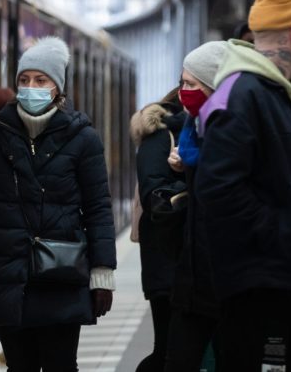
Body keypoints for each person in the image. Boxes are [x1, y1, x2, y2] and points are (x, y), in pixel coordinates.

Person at [195, 0, 291, 369]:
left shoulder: (283, 93)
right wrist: (286, 236)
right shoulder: (242, 96)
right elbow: (218, 189)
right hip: (266, 287)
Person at [0, 36, 116, 371]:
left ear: (57, 87)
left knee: (61, 365)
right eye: (24, 79)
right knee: (19, 366)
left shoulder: (83, 138)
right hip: (7, 271)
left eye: (41, 80)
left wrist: (102, 270)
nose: (31, 87)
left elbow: (98, 208)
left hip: (61, 273)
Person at [163, 41, 229, 371]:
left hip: (225, 276)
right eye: (182, 83)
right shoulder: (191, 128)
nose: (183, 92)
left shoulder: (228, 133)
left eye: (192, 84)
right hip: (192, 274)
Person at [129, 85, 186, 372]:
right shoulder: (161, 134)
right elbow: (156, 197)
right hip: (167, 261)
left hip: (196, 262)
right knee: (168, 350)